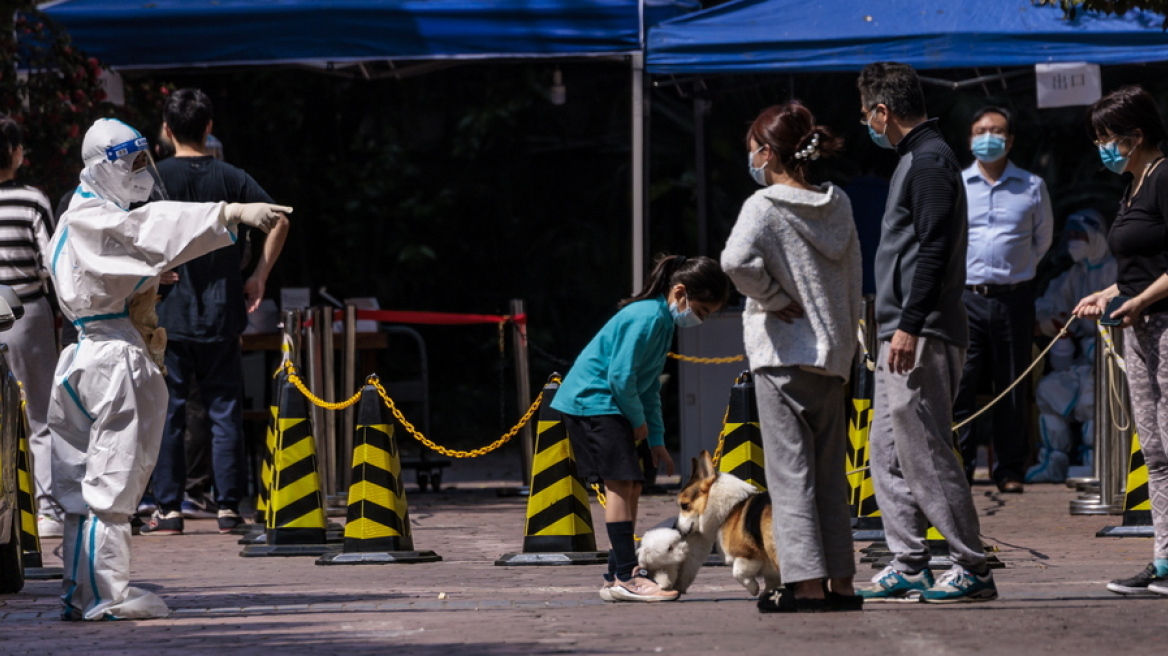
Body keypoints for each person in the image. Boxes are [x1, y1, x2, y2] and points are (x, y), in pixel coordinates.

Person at [48, 117, 290, 620]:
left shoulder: (79, 215)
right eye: (132, 162)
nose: (140, 174)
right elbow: (150, 227)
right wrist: (228, 212)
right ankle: (103, 596)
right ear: (106, 166)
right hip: (112, 357)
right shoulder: (96, 219)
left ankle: (81, 590)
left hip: (84, 356)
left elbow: (138, 239)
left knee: (83, 488)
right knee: (111, 484)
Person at [855, 62, 997, 604]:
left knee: (928, 449)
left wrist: (910, 325)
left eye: (867, 113)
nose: (867, 123)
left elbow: (934, 248)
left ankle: (970, 564)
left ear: (883, 111)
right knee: (889, 452)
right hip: (902, 328)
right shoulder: (915, 158)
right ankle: (909, 560)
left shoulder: (931, 160)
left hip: (924, 330)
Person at [720, 101, 862, 613]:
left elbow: (734, 261)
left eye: (753, 151)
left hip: (782, 358)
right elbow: (851, 280)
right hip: (833, 357)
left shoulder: (764, 207)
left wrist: (773, 299)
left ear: (767, 152)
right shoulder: (838, 202)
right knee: (830, 477)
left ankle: (804, 586)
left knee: (790, 478)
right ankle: (842, 583)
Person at [142, 89, 290, 536]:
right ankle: (228, 508)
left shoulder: (154, 178)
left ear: (167, 130)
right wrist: (260, 275)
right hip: (224, 310)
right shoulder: (230, 176)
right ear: (209, 128)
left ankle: (169, 509)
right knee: (226, 408)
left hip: (167, 314)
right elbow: (280, 218)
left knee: (168, 409)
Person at [551, 254, 731, 603]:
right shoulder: (647, 318)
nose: (700, 319)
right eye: (702, 310)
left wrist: (656, 439)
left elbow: (647, 386)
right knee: (620, 484)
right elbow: (620, 377)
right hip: (594, 403)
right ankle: (624, 576)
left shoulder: (662, 322)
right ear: (680, 292)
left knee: (631, 485)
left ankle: (618, 572)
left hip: (611, 405)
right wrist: (638, 422)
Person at [1072, 85, 1168, 597]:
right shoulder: (1132, 186)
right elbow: (1140, 266)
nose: (1103, 148)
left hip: (1164, 325)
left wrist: (1142, 299)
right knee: (1154, 449)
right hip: (1141, 330)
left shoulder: (1164, 177)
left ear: (1135, 135)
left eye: (1109, 138)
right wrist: (1110, 293)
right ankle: (1163, 559)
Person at [953, 106, 1054, 493]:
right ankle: (960, 468)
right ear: (970, 139)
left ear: (1010, 140)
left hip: (1014, 297)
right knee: (963, 384)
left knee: (1013, 384)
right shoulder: (958, 184)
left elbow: (1042, 241)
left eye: (996, 131)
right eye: (980, 131)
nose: (988, 137)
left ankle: (1010, 470)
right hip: (967, 298)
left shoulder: (1031, 186)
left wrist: (1017, 271)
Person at [0, 116, 64, 537]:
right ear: (17, 153)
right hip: (27, 313)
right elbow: (52, 261)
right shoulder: (32, 200)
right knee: (40, 415)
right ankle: (46, 511)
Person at [1029, 209, 1115, 483]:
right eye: (1071, 235)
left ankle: (1096, 461)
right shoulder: (1072, 276)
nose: (1074, 240)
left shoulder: (1117, 269)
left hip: (1110, 357)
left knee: (1093, 400)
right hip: (1080, 358)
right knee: (1049, 390)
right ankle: (1054, 461)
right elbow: (1049, 309)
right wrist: (1054, 324)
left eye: (1081, 234)